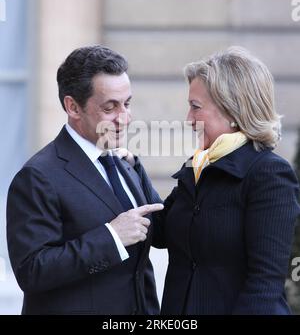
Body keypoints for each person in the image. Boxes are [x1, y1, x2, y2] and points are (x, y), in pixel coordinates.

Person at [6, 45, 163, 315]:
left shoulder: (126, 163)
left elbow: (160, 229)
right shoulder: (37, 176)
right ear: (73, 107)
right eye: (110, 107)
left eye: (127, 103)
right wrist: (112, 237)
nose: (124, 118)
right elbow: (32, 271)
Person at [147, 46, 300, 314]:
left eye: (196, 108)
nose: (188, 119)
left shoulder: (270, 174)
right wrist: (126, 170)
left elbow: (263, 288)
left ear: (232, 111)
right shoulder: (199, 165)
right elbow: (159, 232)